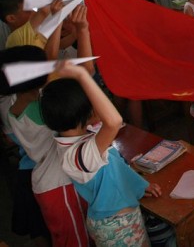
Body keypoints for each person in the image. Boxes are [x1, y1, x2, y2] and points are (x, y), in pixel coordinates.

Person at [40, 62, 161, 246]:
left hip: (121, 219)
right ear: (83, 112)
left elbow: (113, 169)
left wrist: (139, 184)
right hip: (117, 226)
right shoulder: (79, 155)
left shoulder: (78, 141)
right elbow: (114, 121)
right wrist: (81, 76)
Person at [2, 46, 90, 247]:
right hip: (59, 181)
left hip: (42, 178)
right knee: (75, 238)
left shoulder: (12, 108)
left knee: (64, 236)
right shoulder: (46, 108)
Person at [1, 0, 78, 54]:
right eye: (28, 10)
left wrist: (75, 33)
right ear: (11, 18)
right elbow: (43, 11)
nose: (34, 12)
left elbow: (58, 45)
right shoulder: (15, 38)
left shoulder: (35, 32)